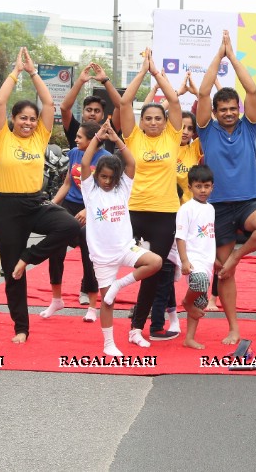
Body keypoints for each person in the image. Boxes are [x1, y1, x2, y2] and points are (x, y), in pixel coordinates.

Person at [0, 47, 83, 344]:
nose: (28, 123)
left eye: (32, 119)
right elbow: (0, 100)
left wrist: (33, 72)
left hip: (34, 201)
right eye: (23, 118)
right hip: (5, 206)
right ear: (13, 119)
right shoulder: (2, 136)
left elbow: (49, 102)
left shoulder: (41, 135)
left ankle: (27, 257)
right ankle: (21, 327)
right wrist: (15, 71)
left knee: (68, 225)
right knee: (11, 272)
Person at [196, 30, 256, 345]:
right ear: (216, 113)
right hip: (216, 207)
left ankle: (237, 257)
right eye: (224, 109)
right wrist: (218, 56)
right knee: (225, 274)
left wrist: (233, 57)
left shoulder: (248, 126)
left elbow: (252, 89)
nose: (230, 112)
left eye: (234, 108)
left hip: (248, 201)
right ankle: (234, 327)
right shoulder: (207, 130)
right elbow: (204, 93)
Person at [119, 48, 184, 345]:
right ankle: (104, 309)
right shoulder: (133, 137)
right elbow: (124, 101)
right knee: (113, 261)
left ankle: (136, 328)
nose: (155, 122)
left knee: (154, 271)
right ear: (142, 122)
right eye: (150, 118)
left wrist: (157, 72)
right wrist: (143, 72)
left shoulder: (173, 136)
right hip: (134, 210)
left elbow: (173, 100)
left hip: (165, 212)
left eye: (159, 118)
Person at [85, 126, 162, 357]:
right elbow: (88, 158)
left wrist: (117, 138)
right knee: (107, 302)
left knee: (155, 262)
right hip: (102, 256)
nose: (107, 181)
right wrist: (98, 137)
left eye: (111, 177)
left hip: (126, 248)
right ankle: (109, 344)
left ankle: (120, 284)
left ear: (119, 179)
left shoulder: (123, 189)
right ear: (96, 175)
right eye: (103, 176)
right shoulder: (89, 190)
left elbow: (131, 164)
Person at [45, 120, 109, 322]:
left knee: (87, 247)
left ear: (93, 140)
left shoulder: (106, 159)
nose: (75, 139)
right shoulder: (74, 153)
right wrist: (52, 204)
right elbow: (67, 183)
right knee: (54, 243)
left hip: (93, 209)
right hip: (70, 205)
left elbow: (106, 192)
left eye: (80, 137)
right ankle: (56, 299)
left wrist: (88, 210)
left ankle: (92, 305)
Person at [176, 165, 217, 349]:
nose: (203, 190)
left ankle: (189, 338)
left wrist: (215, 259)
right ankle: (186, 302)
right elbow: (180, 237)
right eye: (199, 186)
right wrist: (184, 260)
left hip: (207, 260)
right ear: (190, 187)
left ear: (212, 187)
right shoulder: (186, 209)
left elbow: (209, 236)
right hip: (192, 259)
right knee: (199, 282)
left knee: (200, 300)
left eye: (206, 186)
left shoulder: (211, 209)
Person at [60, 62, 123, 158]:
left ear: (103, 115)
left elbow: (121, 107)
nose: (92, 113)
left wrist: (105, 80)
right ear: (82, 112)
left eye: (97, 111)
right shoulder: (75, 129)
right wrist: (80, 81)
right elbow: (64, 108)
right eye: (89, 110)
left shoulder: (109, 131)